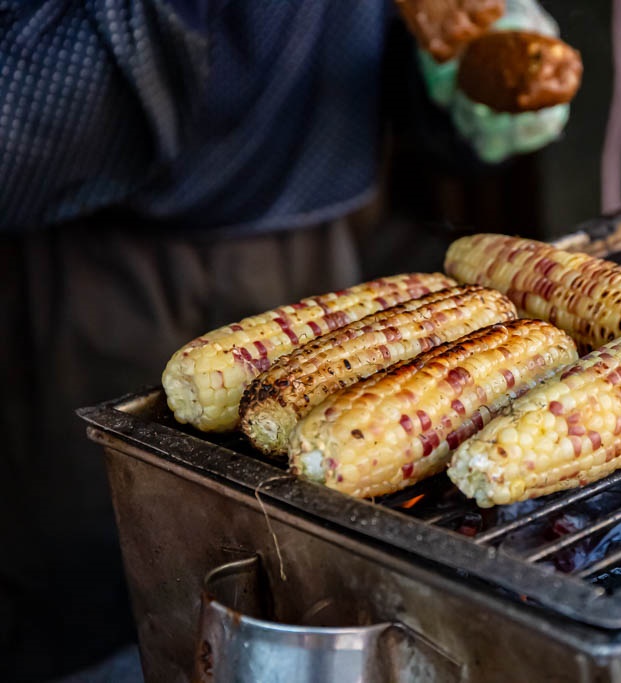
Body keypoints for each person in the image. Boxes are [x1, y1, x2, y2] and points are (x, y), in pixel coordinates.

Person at [0, 1, 580, 679]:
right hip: (99, 279)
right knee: (106, 607)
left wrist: (458, 80)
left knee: (315, 599)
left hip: (320, 264)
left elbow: (382, 63)